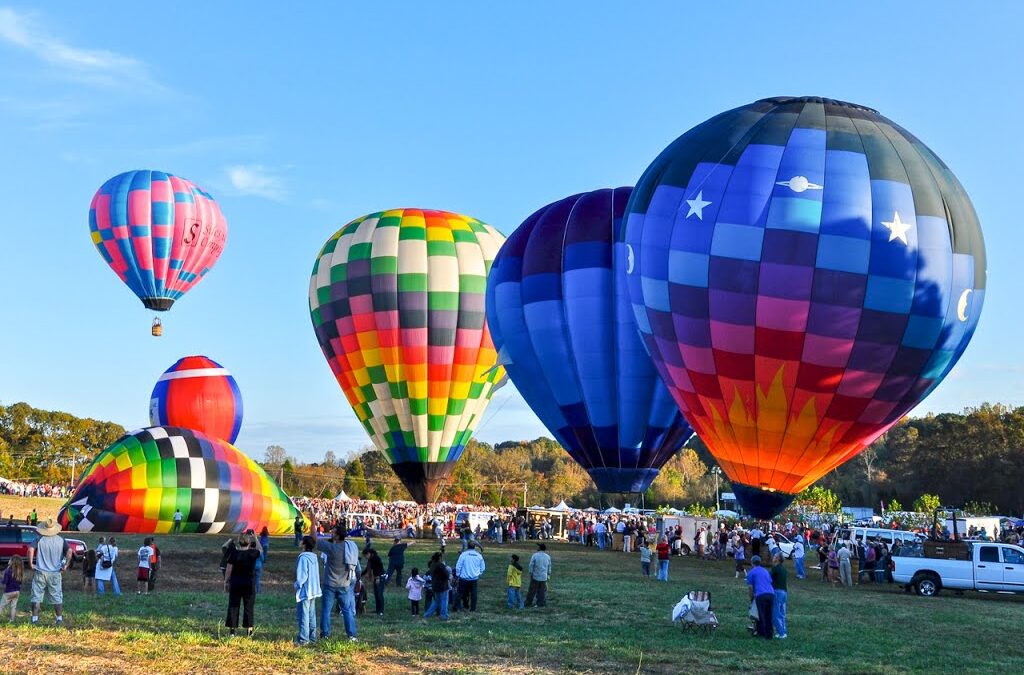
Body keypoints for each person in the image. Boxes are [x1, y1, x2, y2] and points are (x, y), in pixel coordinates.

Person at [316, 522, 361, 641]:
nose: (331, 532)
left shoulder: (332, 548)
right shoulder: (350, 547)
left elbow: (314, 540)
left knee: (326, 610)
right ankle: (351, 635)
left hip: (330, 584)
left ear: (337, 535)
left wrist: (312, 521)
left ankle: (325, 634)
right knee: (347, 611)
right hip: (345, 584)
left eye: (333, 532)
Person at [27, 517, 71, 626]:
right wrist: (66, 565)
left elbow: (30, 549)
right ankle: (59, 619)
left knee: (36, 595)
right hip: (55, 572)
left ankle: (34, 619)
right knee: (57, 596)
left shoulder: (39, 539)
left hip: (40, 571)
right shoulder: (61, 540)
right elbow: (69, 551)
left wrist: (31, 563)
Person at [224, 530, 263, 636]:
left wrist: (226, 581)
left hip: (236, 583)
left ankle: (232, 631)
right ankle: (249, 630)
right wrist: (255, 537)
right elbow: (260, 550)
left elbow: (228, 569)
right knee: (249, 607)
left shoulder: (234, 554)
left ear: (239, 542)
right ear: (249, 543)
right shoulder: (252, 553)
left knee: (233, 606)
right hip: (249, 584)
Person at [294, 535, 321, 646]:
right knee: (311, 614)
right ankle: (312, 637)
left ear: (304, 544)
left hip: (305, 589)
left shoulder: (303, 557)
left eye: (302, 541)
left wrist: (297, 584)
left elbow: (302, 575)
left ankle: (304, 639)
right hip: (314, 589)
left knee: (303, 615)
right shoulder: (314, 556)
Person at [746, 555, 774, 639]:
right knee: (769, 614)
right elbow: (770, 582)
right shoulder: (765, 571)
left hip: (760, 595)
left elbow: (750, 587)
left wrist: (751, 598)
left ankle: (761, 633)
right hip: (771, 594)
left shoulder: (751, 572)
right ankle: (769, 634)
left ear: (752, 563)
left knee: (760, 615)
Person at [455, 541, 485, 611]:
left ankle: (457, 607)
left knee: (460, 593)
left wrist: (458, 575)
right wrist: (478, 574)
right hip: (474, 578)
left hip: (463, 578)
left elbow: (458, 566)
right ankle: (473, 608)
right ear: (474, 547)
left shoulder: (463, 555)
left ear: (467, 546)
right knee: (473, 594)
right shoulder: (478, 555)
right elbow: (483, 567)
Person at [423, 553, 450, 620]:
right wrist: (444, 566)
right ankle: (444, 615)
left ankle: (427, 614)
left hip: (435, 586)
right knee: (444, 601)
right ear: (439, 558)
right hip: (443, 586)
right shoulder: (440, 565)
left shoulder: (432, 564)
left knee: (436, 601)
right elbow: (447, 574)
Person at [525, 542, 551, 608]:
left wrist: (530, 573)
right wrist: (548, 576)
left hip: (535, 576)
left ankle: (528, 602)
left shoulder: (535, 555)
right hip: (543, 577)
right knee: (542, 592)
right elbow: (549, 567)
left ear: (540, 548)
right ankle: (541, 603)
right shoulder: (548, 557)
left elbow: (531, 565)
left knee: (532, 590)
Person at [361, 548, 386, 616]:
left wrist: (377, 578)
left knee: (379, 594)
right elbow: (367, 569)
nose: (365, 557)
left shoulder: (375, 558)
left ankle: (381, 611)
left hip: (380, 577)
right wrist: (360, 575)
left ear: (369, 553)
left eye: (365, 555)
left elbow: (377, 569)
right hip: (376, 577)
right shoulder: (371, 559)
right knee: (376, 594)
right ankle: (378, 609)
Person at [770, 553, 788, 639]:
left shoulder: (775, 569)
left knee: (775, 613)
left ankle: (781, 633)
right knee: (782, 613)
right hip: (784, 592)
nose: (773, 558)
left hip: (776, 591)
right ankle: (783, 631)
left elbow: (769, 579)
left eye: (774, 556)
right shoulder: (784, 569)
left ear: (777, 559)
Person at [1, 555, 24, 621]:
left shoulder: (7, 571)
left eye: (10, 559)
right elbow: (20, 582)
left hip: (8, 592)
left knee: (1, 606)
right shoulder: (19, 572)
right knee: (13, 607)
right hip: (17, 592)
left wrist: (2, 580)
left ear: (12, 562)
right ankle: (12, 620)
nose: (9, 560)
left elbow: (4, 582)